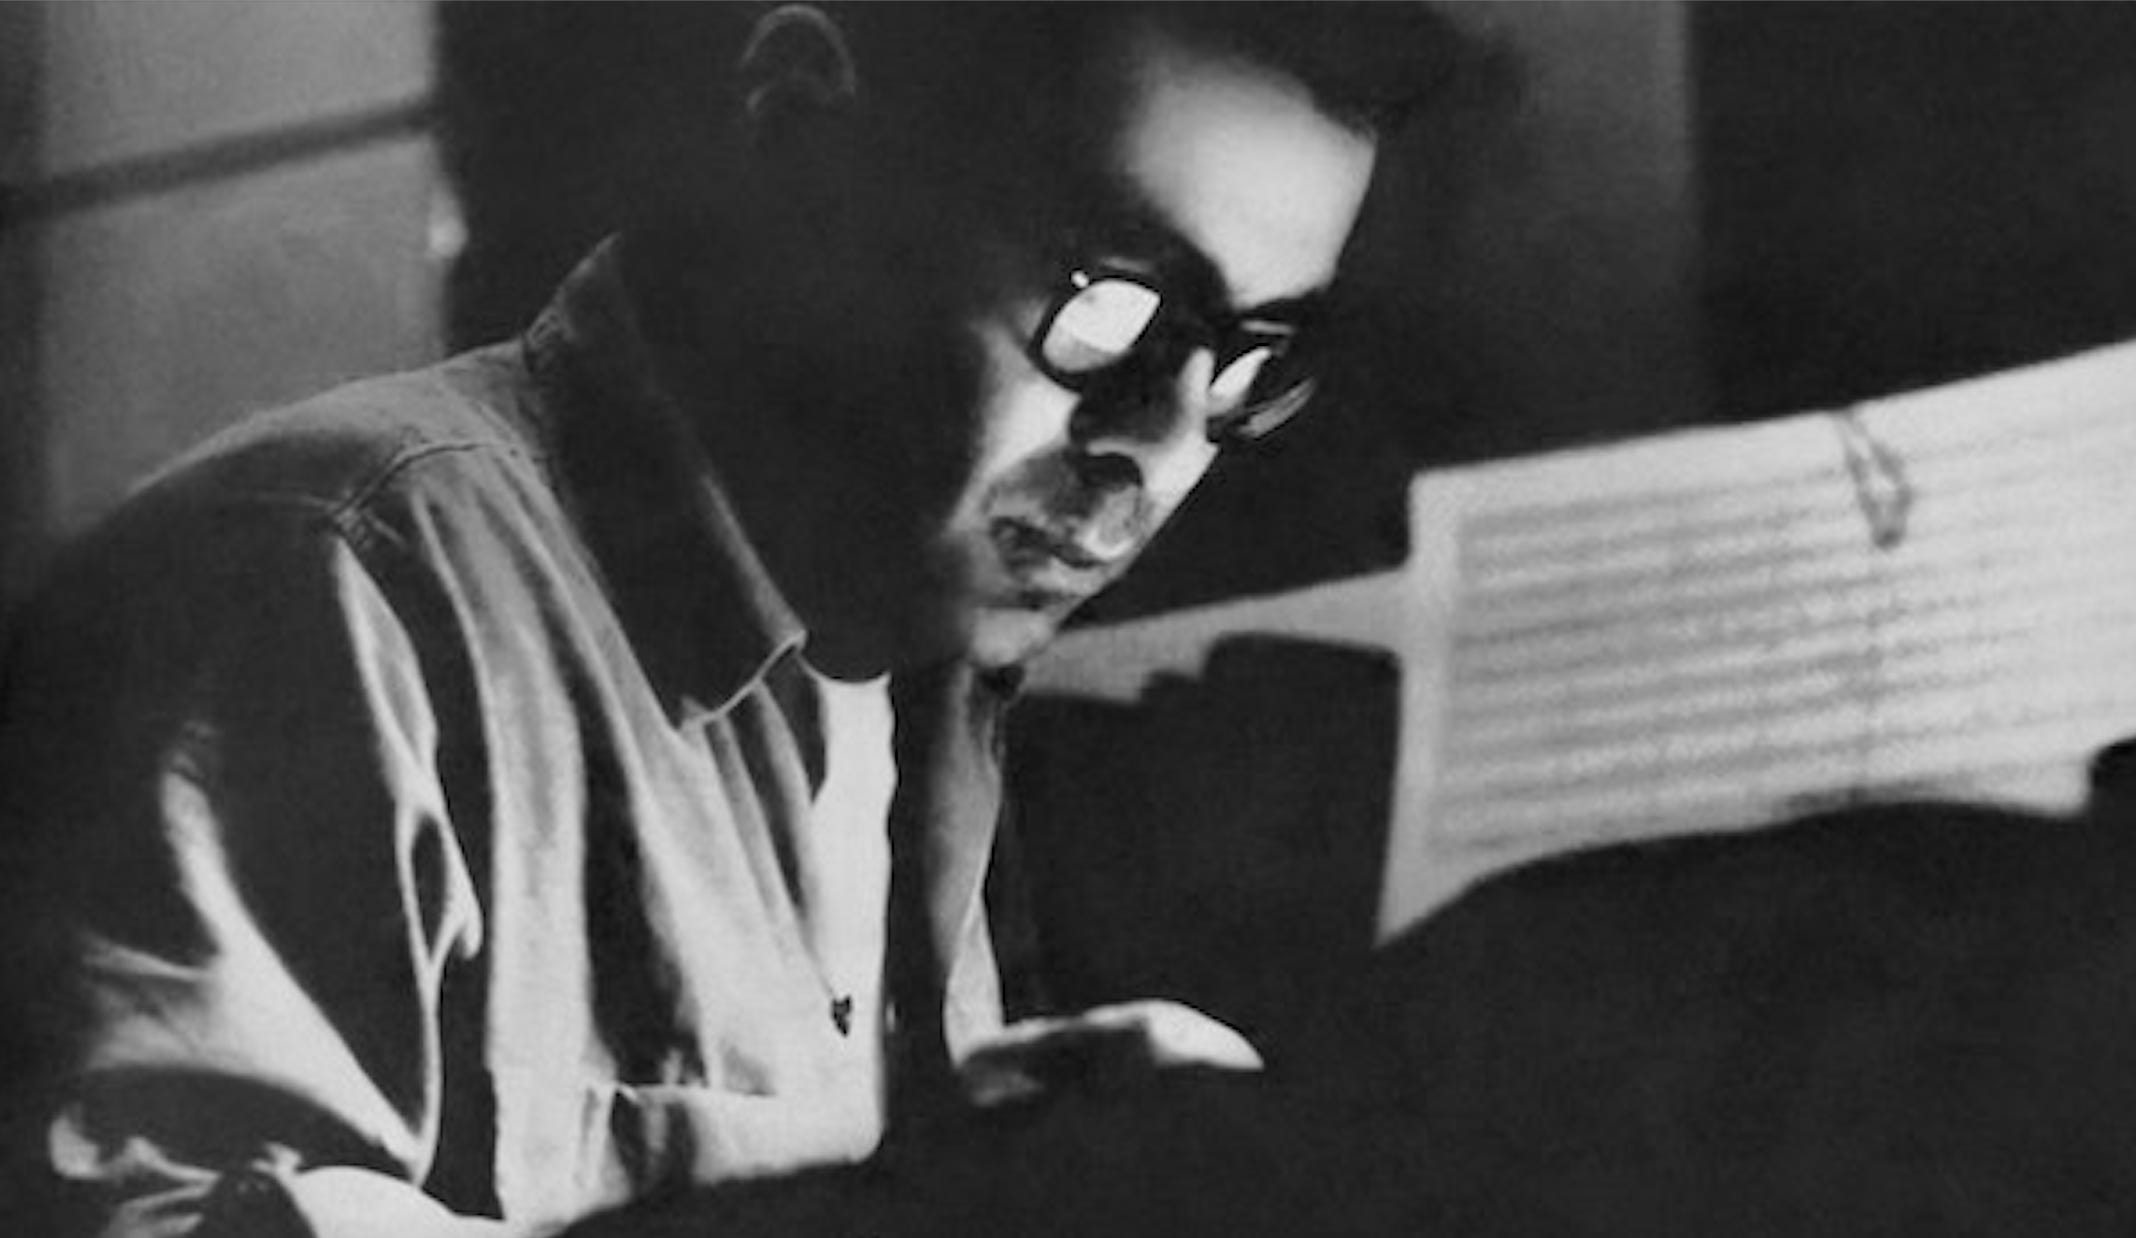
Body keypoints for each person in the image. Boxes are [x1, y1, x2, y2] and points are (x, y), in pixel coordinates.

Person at [0, 5, 1476, 1236]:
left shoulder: (910, 680)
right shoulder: (326, 585)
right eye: (1106, 308)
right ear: (805, 132)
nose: (1155, 448)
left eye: (1246, 361)